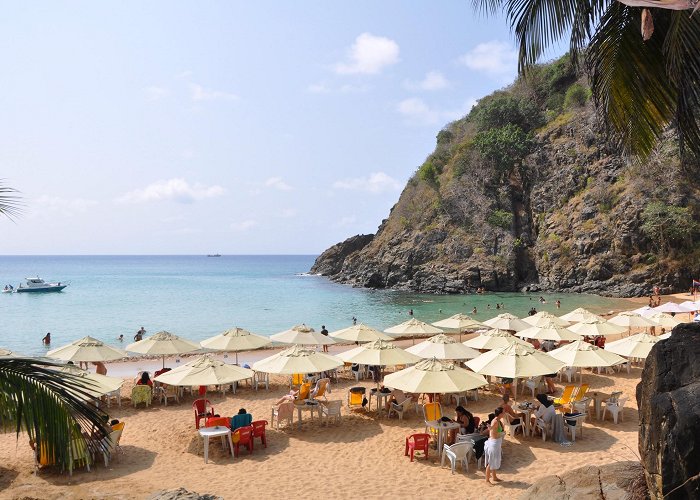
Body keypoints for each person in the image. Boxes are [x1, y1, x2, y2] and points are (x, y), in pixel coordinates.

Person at [484, 408, 504, 485]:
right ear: (500, 414)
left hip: (497, 442)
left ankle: (494, 477)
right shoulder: (495, 421)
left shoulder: (497, 420)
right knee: (491, 462)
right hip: (494, 443)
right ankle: (487, 480)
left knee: (495, 460)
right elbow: (491, 428)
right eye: (503, 412)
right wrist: (489, 427)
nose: (504, 413)